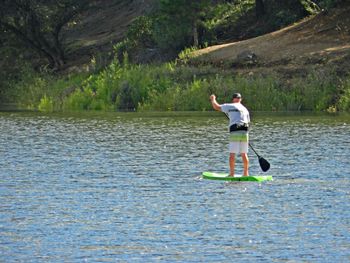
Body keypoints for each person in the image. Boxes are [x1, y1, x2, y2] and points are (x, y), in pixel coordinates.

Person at [209, 93, 250, 176]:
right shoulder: (245, 109)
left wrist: (213, 99)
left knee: (232, 154)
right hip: (245, 131)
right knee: (244, 153)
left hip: (235, 131)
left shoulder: (230, 105)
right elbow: (248, 122)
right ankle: (246, 173)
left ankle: (232, 174)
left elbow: (216, 107)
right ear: (240, 99)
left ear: (233, 99)